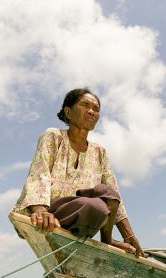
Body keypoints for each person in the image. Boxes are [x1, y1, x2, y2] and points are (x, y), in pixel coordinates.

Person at [11, 88, 144, 257]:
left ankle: (107, 239)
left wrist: (129, 235)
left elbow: (115, 196)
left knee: (107, 193)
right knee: (96, 207)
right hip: (50, 211)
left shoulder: (99, 152)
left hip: (83, 215)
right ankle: (48, 217)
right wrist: (40, 211)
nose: (91, 111)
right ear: (68, 112)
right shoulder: (53, 136)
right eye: (85, 105)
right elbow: (40, 173)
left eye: (96, 109)